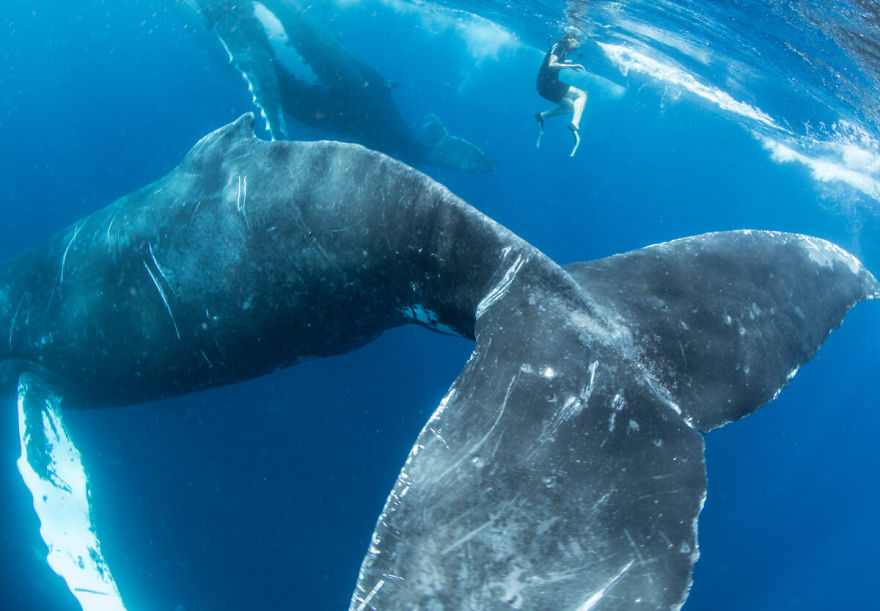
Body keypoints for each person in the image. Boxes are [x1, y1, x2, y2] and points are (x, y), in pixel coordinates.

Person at [535, 29, 588, 157]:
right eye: (576, 44)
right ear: (570, 40)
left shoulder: (559, 47)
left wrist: (566, 63)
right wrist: (570, 66)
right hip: (548, 84)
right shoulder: (560, 46)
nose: (575, 48)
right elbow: (552, 64)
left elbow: (555, 61)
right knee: (582, 95)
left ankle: (542, 116)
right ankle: (575, 124)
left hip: (544, 86)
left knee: (569, 107)